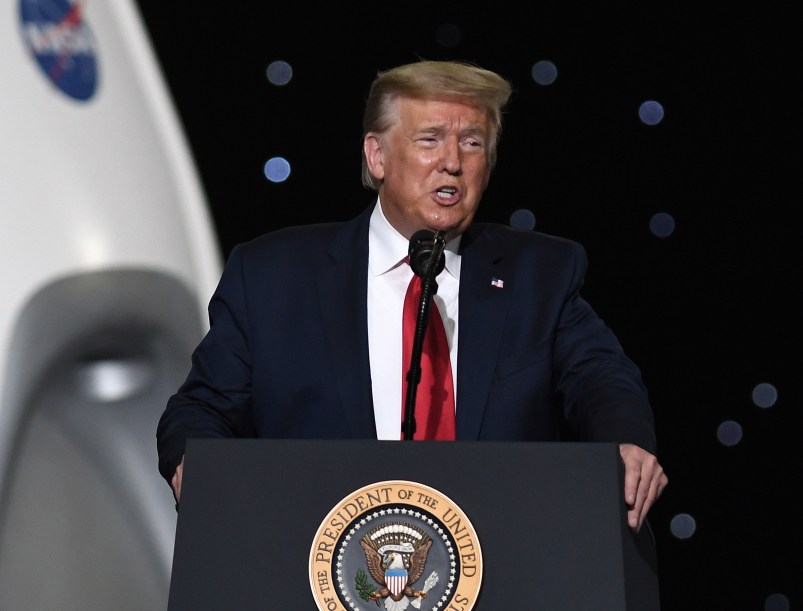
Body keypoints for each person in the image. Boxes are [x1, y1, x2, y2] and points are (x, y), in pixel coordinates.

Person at [156, 59, 667, 532]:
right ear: (377, 155)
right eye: (430, 139)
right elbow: (202, 409)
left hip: (499, 562)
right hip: (311, 563)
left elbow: (601, 378)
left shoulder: (539, 275)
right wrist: (196, 465)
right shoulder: (274, 276)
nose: (452, 162)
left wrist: (626, 441)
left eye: (472, 143)